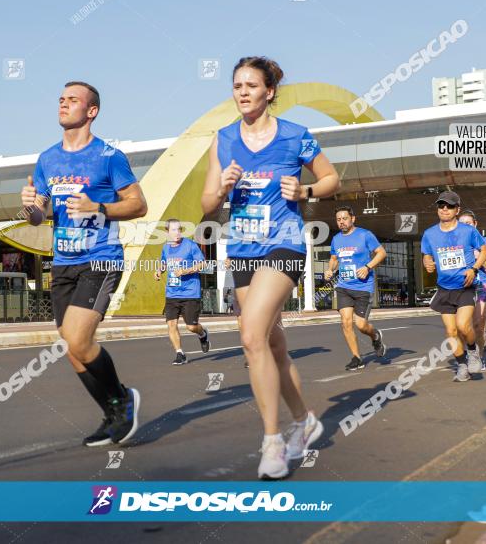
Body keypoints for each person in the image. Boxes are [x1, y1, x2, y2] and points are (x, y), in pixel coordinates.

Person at [200, 56, 339, 479]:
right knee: (271, 344)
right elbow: (207, 205)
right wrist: (222, 187)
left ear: (269, 91)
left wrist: (306, 188)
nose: (242, 92)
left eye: (251, 85)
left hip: (283, 245)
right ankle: (305, 421)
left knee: (250, 334)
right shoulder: (222, 139)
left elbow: (333, 179)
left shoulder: (296, 136)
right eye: (236, 85)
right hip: (242, 248)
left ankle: (272, 442)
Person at [21, 80, 148, 447]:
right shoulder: (48, 159)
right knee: (71, 347)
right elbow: (38, 216)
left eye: (72, 100)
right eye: (60, 99)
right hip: (63, 262)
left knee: (78, 338)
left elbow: (139, 205)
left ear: (91, 111)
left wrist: (99, 206)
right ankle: (112, 411)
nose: (63, 104)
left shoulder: (109, 157)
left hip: (100, 258)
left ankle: (124, 400)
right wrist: (30, 205)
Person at [421, 192, 486, 382]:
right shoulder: (429, 234)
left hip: (465, 286)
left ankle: (473, 351)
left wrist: (474, 269)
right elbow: (427, 254)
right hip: (444, 288)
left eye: (449, 206)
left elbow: (483, 250)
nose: (444, 209)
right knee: (450, 332)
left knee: (462, 325)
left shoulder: (468, 231)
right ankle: (461, 364)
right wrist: (427, 262)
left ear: (457, 210)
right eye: (441, 205)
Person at [325, 205, 387, 371]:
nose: (341, 222)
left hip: (363, 287)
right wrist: (330, 270)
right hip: (344, 286)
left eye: (344, 218)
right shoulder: (336, 239)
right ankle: (357, 358)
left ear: (353, 218)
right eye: (338, 219)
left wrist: (367, 267)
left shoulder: (365, 235)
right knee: (345, 322)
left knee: (360, 325)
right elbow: (334, 258)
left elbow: (381, 253)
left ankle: (375, 336)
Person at [154, 218, 211, 365]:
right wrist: (159, 271)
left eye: (179, 229)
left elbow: (203, 263)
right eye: (174, 230)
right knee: (171, 325)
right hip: (172, 293)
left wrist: (185, 271)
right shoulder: (166, 247)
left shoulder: (190, 245)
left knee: (191, 326)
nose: (177, 232)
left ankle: (203, 334)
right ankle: (180, 353)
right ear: (167, 232)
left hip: (190, 292)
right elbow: (163, 262)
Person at [456, 210, 486, 371]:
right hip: (460, 286)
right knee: (461, 326)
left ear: (475, 224)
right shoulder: (455, 241)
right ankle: (466, 355)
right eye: (462, 223)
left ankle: (478, 358)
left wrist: (477, 257)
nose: (465, 226)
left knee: (478, 325)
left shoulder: (482, 242)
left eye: (468, 223)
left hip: (481, 286)